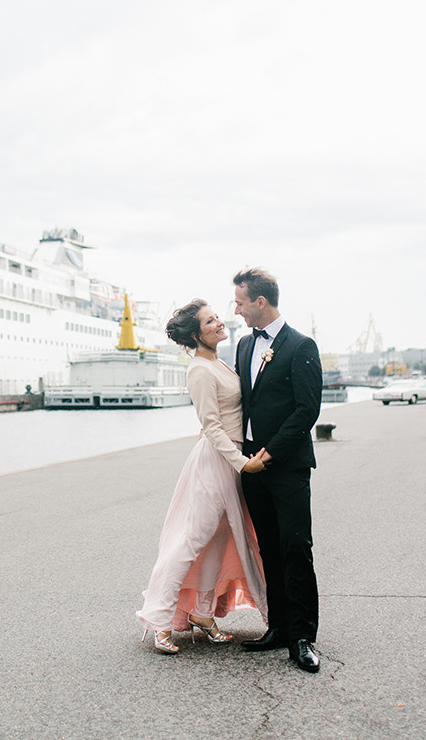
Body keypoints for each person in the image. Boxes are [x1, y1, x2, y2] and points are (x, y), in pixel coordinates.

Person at [136, 300, 269, 654]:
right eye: (210, 321)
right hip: (217, 462)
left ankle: (203, 613)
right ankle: (160, 619)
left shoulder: (218, 362)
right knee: (191, 540)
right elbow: (211, 426)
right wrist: (241, 463)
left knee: (220, 538)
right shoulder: (199, 369)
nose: (218, 322)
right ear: (196, 335)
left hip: (230, 459)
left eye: (216, 317)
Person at [232, 268, 324, 673]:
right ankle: (278, 628)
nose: (235, 310)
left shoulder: (302, 346)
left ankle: (303, 637)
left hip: (286, 467)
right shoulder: (241, 346)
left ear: (260, 302)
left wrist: (269, 454)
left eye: (239, 302)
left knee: (295, 548)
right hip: (250, 469)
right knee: (267, 547)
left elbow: (307, 411)